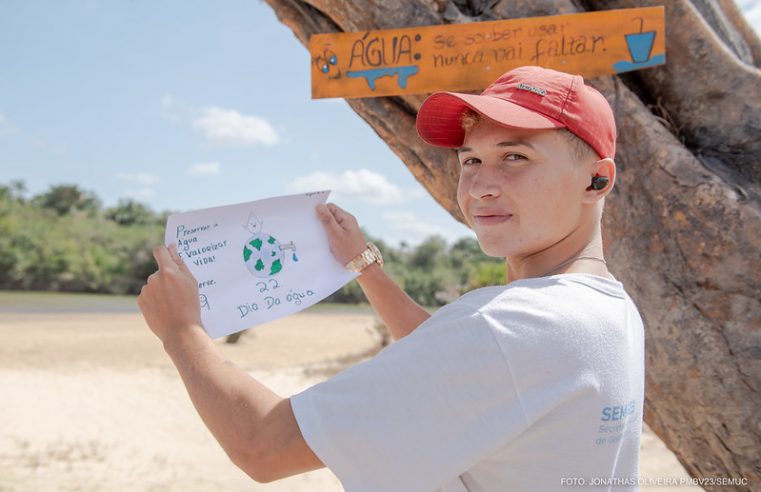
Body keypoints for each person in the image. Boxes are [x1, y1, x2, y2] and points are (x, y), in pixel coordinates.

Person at [138, 65, 645, 491]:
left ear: (596, 179)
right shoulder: (609, 309)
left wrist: (181, 331)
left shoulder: (514, 327)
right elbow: (464, 363)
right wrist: (366, 266)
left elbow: (262, 447)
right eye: (471, 160)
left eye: (516, 157)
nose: (481, 186)